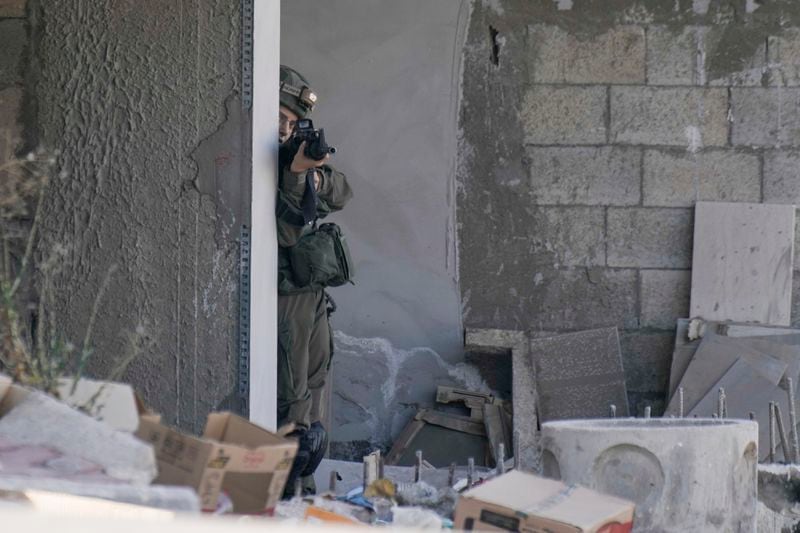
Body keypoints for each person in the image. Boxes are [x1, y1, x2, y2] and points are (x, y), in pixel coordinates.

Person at [276, 65, 353, 496]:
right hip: (284, 293)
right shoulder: (267, 159)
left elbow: (342, 192)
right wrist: (296, 174)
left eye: (291, 121)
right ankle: (285, 488)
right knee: (291, 394)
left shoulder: (296, 152)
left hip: (312, 293)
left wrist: (316, 174)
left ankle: (302, 478)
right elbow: (288, 227)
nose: (285, 128)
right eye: (280, 119)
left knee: (316, 375)